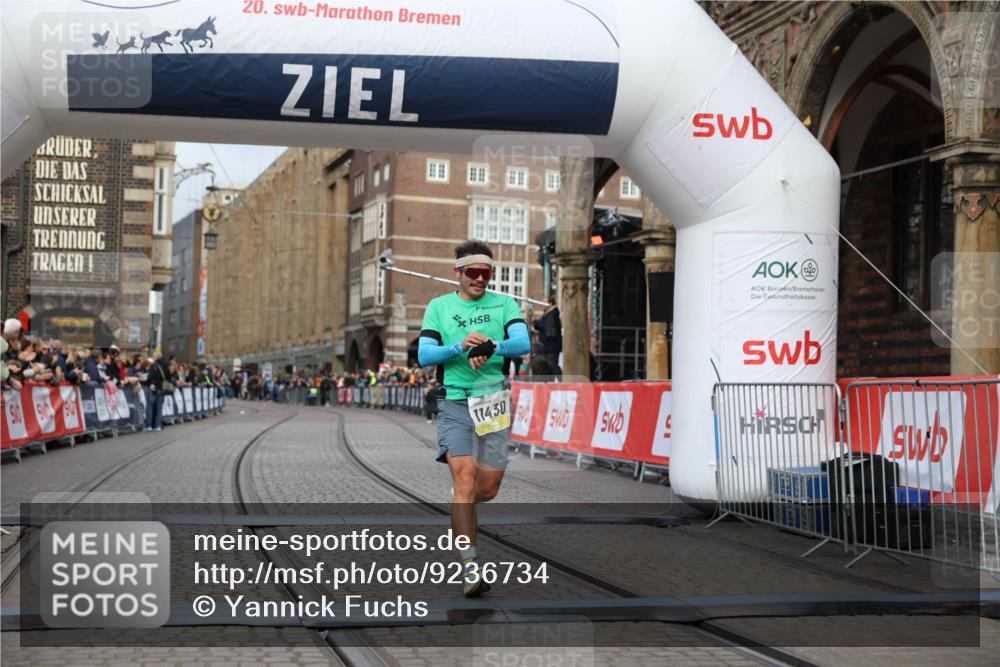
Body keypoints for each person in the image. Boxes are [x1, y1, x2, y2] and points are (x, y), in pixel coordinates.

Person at [417, 240, 530, 597]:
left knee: (488, 489)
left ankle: (460, 503)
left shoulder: (504, 303)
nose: (480, 279)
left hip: (494, 402)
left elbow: (523, 342)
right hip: (455, 403)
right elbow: (424, 355)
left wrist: (490, 346)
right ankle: (471, 569)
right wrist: (461, 347)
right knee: (466, 480)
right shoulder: (439, 307)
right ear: (459, 273)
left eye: (486, 273)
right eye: (473, 273)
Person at [532, 296, 562, 371]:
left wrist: (535, 321)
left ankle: (560, 381)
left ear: (550, 304)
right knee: (550, 366)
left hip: (551, 346)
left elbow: (545, 325)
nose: (541, 305)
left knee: (552, 365)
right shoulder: (548, 314)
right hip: (548, 346)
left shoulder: (552, 314)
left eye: (544, 303)